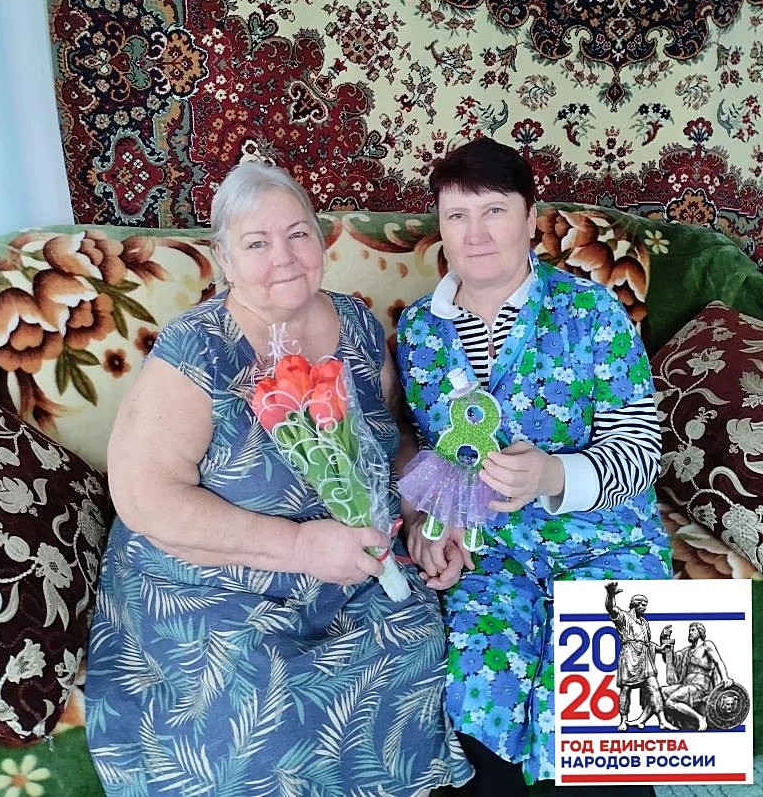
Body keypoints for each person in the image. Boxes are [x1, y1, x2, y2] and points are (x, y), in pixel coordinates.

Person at [85, 162, 472, 796]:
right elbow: (143, 497)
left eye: (297, 234)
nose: (284, 257)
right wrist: (298, 547)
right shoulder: (197, 349)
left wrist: (424, 515)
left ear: (320, 238)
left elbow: (394, 438)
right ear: (224, 258)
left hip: (352, 568)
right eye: (257, 242)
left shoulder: (356, 325)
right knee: (262, 722)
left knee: (420, 650)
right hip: (215, 581)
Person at [394, 137, 672, 797]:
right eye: (457, 215)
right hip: (492, 558)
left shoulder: (592, 312)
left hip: (608, 546)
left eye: (494, 210)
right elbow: (434, 454)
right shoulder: (419, 332)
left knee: (615, 732)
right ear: (441, 228)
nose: (476, 233)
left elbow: (642, 449)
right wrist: (434, 524)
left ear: (529, 217)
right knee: (473, 718)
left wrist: (552, 476)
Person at [604, 583, 674, 731]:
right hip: (629, 656)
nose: (644, 608)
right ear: (635, 604)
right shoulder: (624, 617)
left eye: (646, 605)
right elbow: (611, 608)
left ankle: (662, 720)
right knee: (626, 689)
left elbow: (648, 643)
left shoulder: (644, 623)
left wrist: (661, 648)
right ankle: (623, 720)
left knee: (655, 688)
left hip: (645, 658)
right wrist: (610, 595)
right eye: (642, 605)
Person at [661, 622, 733, 731]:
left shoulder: (706, 645)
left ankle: (700, 718)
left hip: (700, 687)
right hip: (686, 684)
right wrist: (664, 639)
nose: (690, 633)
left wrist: (725, 677)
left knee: (670, 702)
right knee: (661, 692)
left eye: (693, 630)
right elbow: (669, 660)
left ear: (700, 632)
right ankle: (666, 722)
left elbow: (718, 662)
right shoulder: (686, 651)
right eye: (689, 630)